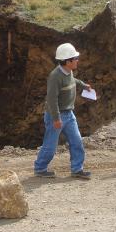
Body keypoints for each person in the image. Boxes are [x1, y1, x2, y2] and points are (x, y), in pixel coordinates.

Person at [33, 42, 93, 179]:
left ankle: (77, 169)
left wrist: (84, 86)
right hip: (56, 115)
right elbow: (52, 100)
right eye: (75, 58)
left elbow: (72, 81)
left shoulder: (68, 72)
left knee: (77, 141)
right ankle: (40, 168)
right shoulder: (55, 77)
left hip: (69, 114)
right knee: (50, 145)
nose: (77, 60)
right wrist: (56, 118)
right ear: (67, 61)